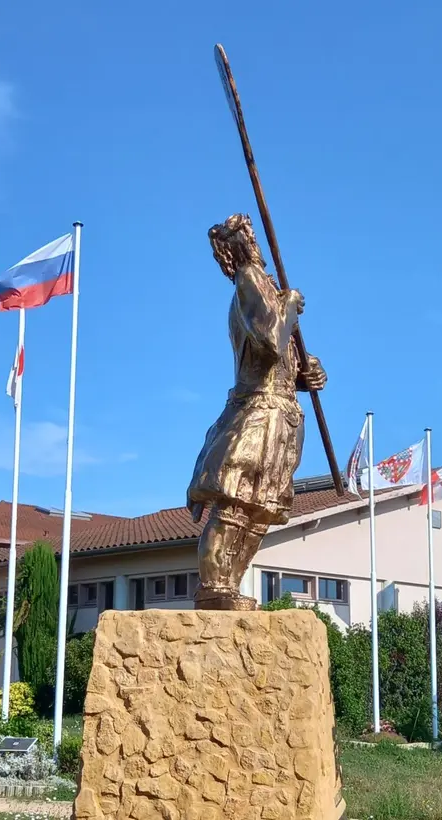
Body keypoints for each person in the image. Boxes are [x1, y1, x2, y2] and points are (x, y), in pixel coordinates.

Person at [187, 213, 327, 610]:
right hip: (258, 410)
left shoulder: (265, 286)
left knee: (261, 509)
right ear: (239, 246)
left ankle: (228, 585)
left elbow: (282, 359)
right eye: (245, 236)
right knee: (236, 501)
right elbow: (267, 340)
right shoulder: (249, 281)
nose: (253, 241)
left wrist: (307, 370)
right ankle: (215, 585)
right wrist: (291, 309)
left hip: (283, 413)